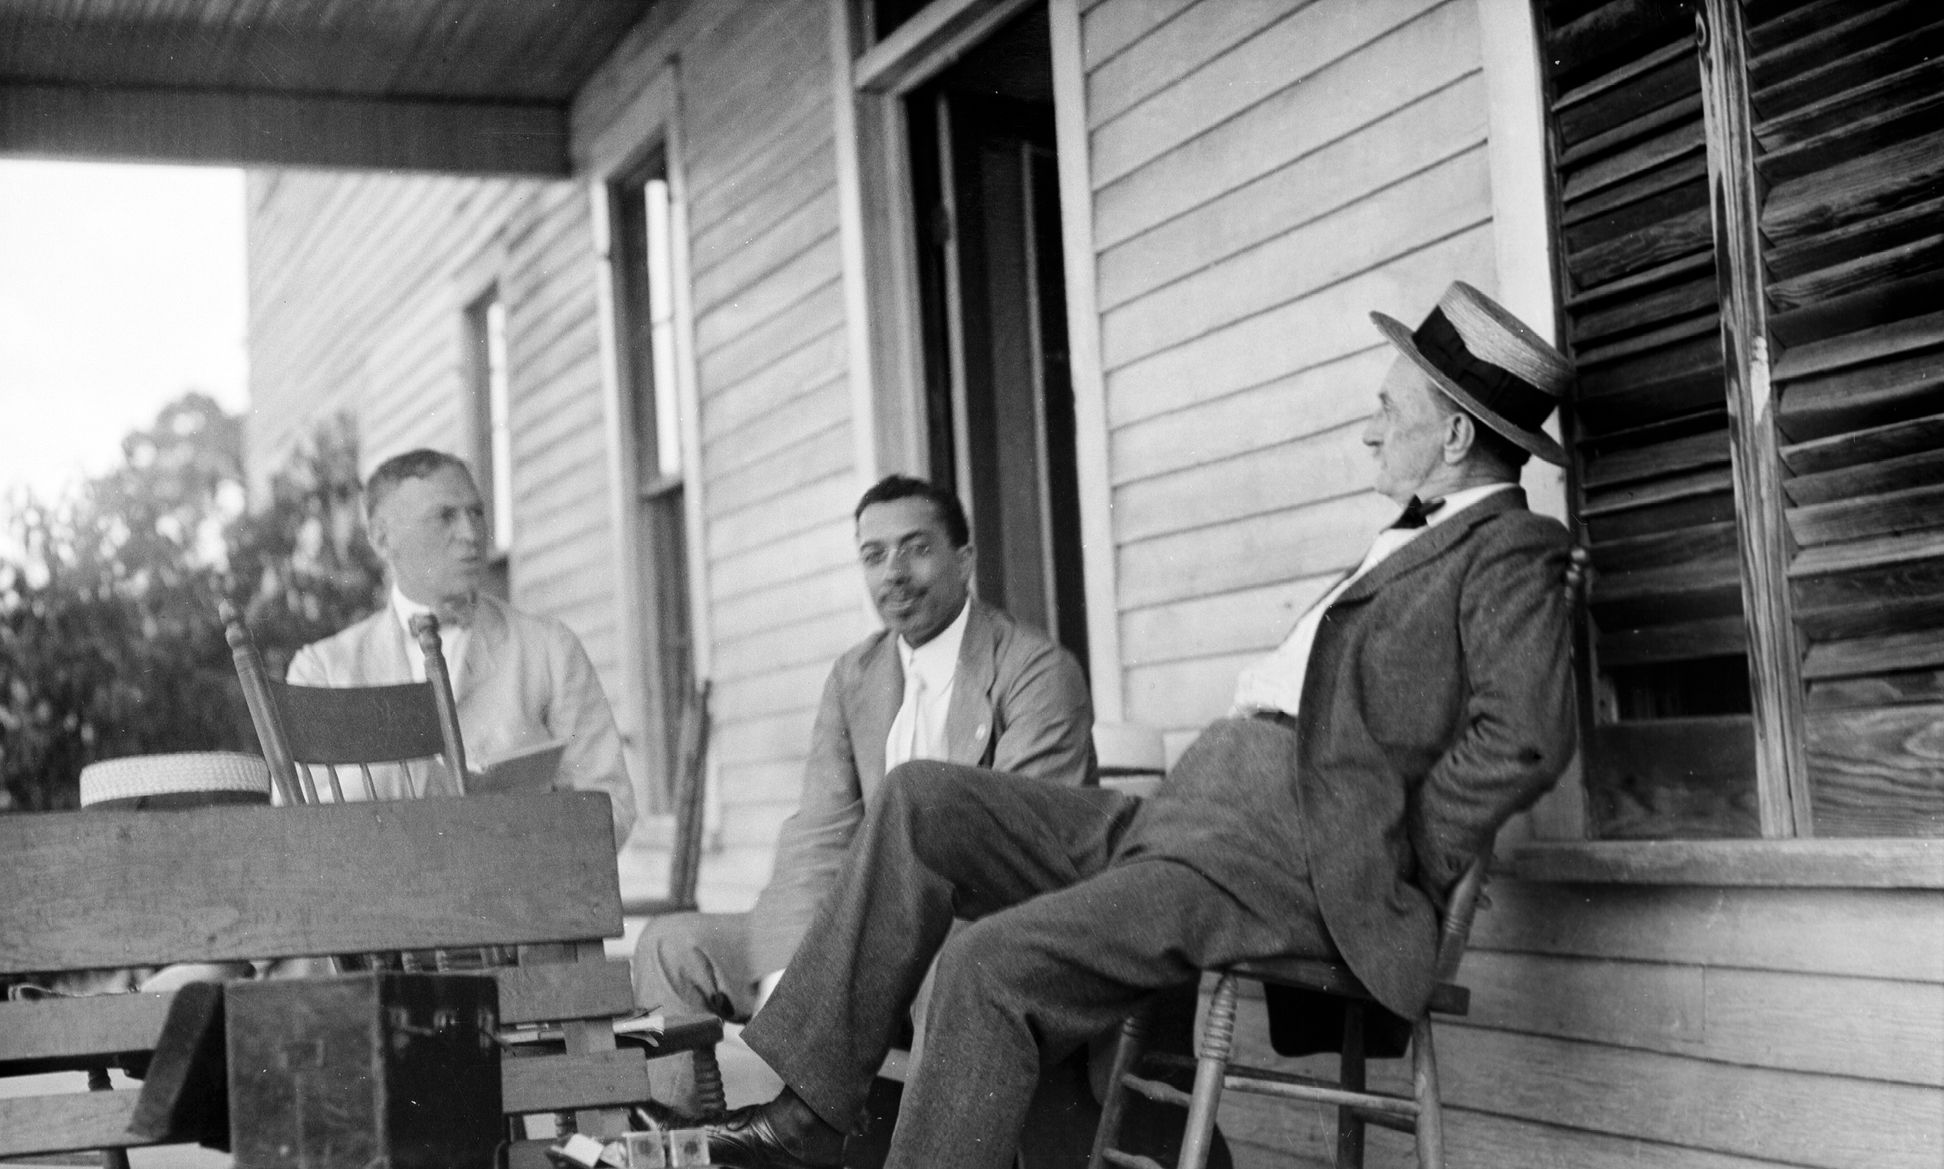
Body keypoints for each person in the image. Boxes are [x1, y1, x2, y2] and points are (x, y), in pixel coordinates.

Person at [702, 281, 1581, 1169]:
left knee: (988, 964)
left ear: (1457, 437)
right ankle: (812, 1112)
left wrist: (1386, 853)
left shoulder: (1509, 553)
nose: (1370, 430)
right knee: (917, 799)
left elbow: (1525, 735)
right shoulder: (1411, 540)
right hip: (1188, 822)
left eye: (1388, 409)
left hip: (1273, 857)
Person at [631, 474, 1095, 1112]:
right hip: (864, 936)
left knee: (950, 968)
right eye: (874, 556)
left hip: (974, 933)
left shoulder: (1036, 671)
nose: (894, 574)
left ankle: (898, 1146)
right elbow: (818, 837)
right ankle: (695, 1143)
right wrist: (790, 972)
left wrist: (858, 961)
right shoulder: (856, 676)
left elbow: (1018, 857)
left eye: (916, 549)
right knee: (671, 946)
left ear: (965, 560)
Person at [287, 449, 635, 848]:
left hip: (518, 882)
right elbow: (297, 827)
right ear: (382, 538)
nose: (471, 534)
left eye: (477, 513)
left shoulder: (549, 650)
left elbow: (611, 805)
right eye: (445, 516)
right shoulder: (323, 670)